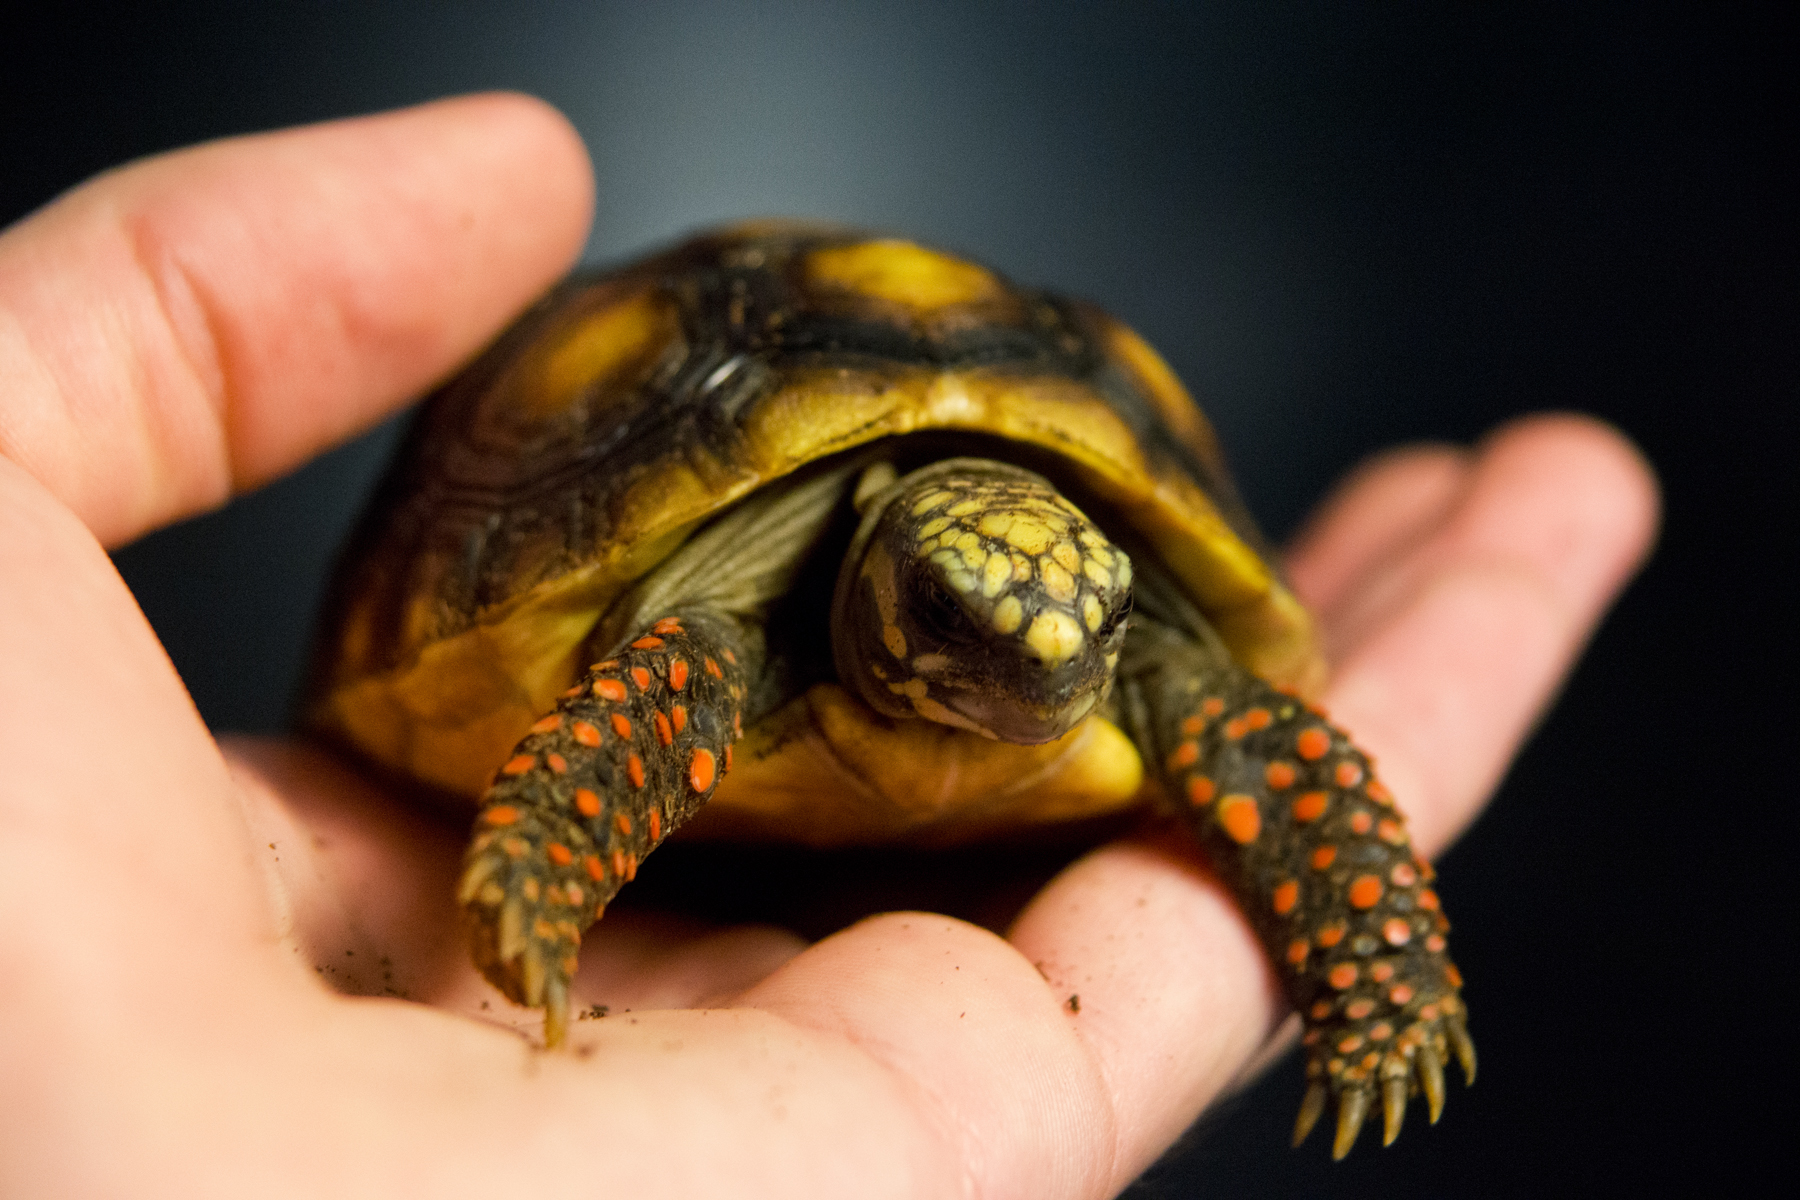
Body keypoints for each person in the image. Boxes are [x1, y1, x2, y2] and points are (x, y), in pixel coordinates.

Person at [0, 94, 1656, 1197]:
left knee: (1195, 707)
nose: (1039, 666)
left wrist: (1376, 966)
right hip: (625, 671)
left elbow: (1263, 733)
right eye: (960, 620)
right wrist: (551, 854)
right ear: (880, 577)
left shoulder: (1100, 635)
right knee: (680, 677)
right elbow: (666, 673)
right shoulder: (721, 629)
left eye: (1079, 642)